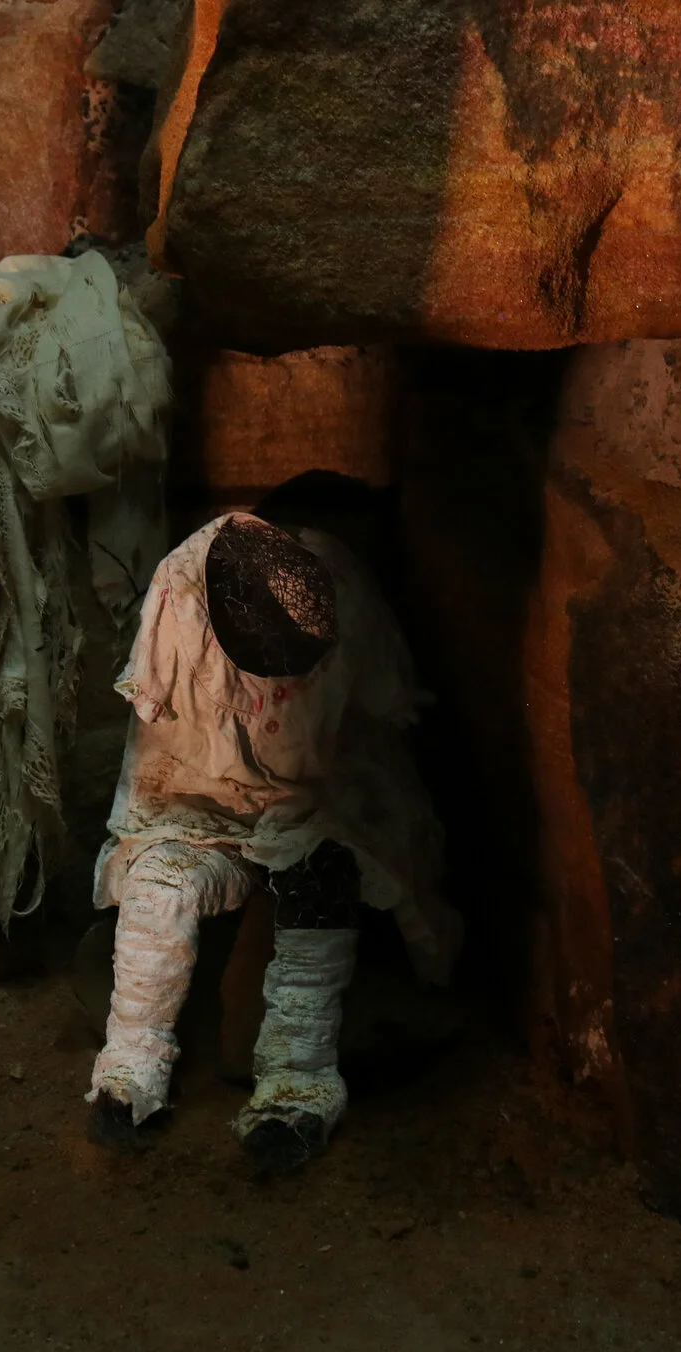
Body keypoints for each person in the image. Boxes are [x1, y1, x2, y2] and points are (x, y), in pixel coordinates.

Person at [86, 493, 456, 1176]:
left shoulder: (336, 583)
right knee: (159, 888)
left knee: (324, 885)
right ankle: (129, 1065)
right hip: (193, 790)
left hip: (309, 797)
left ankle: (299, 1080)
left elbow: (379, 706)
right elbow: (161, 720)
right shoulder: (179, 597)